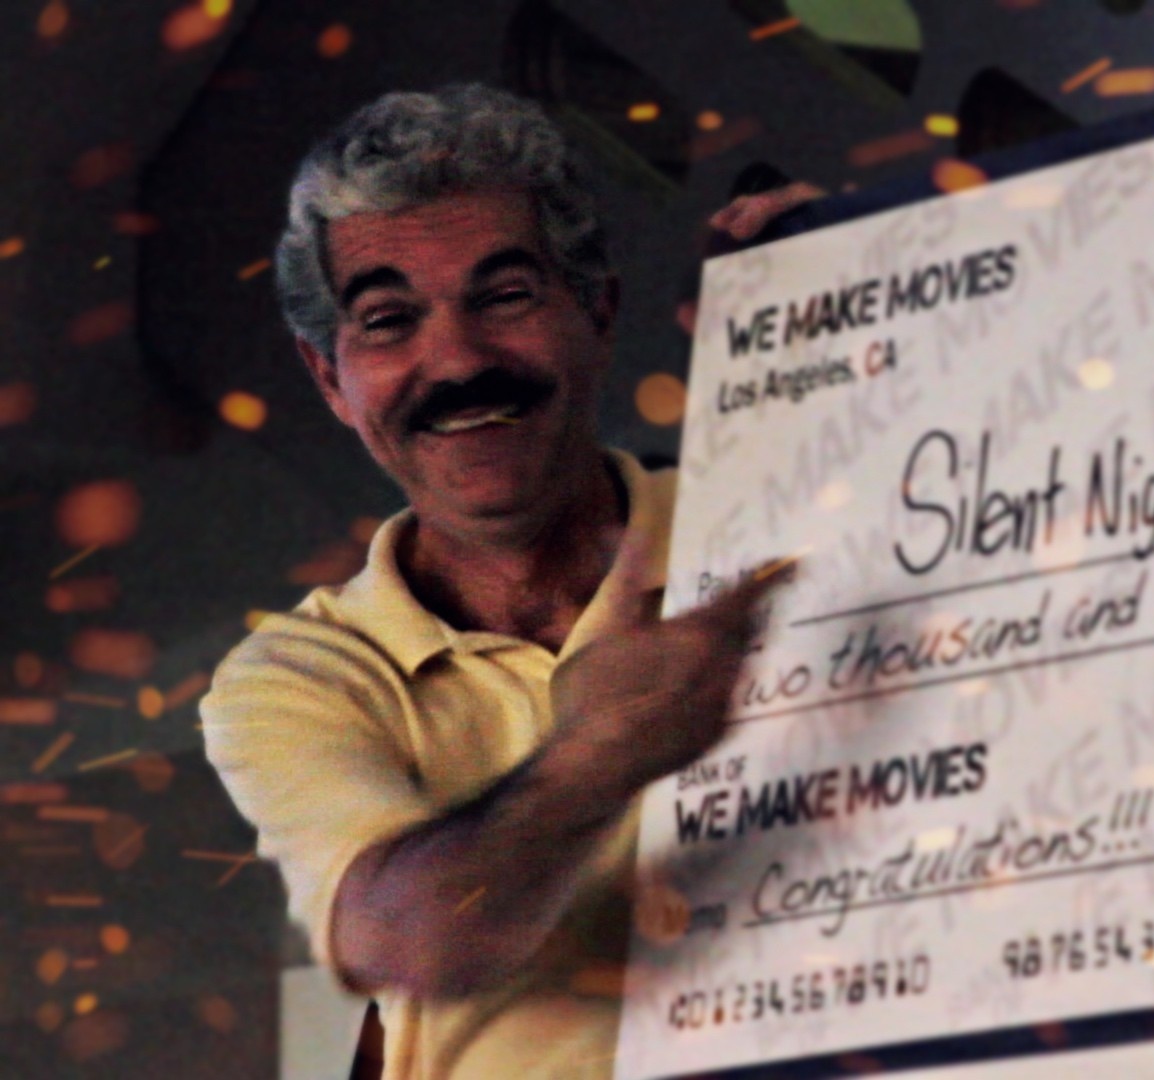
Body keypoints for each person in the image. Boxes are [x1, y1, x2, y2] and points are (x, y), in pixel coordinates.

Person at [201, 83, 801, 1078]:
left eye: (506, 296)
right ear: (329, 378)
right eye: (388, 319)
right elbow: (412, 937)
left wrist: (873, 287)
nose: (458, 360)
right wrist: (601, 755)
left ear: (597, 311)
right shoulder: (302, 676)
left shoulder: (778, 529)